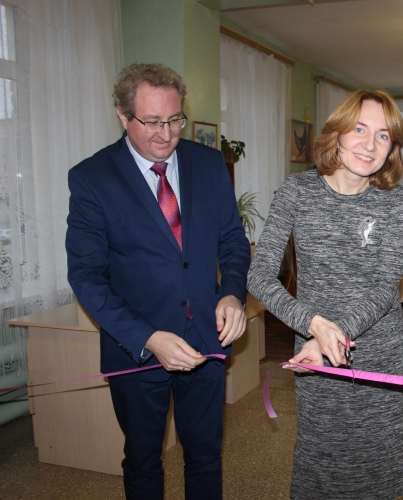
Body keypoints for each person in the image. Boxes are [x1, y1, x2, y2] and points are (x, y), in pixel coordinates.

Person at [66, 63, 250, 499]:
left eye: (174, 119)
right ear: (122, 115)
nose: (166, 134)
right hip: (136, 349)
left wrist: (232, 293)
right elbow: (87, 276)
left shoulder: (209, 164)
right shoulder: (92, 178)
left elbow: (233, 243)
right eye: (151, 122)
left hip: (205, 338)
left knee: (205, 454)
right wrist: (148, 337)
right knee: (143, 460)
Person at [246, 89, 403, 499]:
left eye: (382, 135)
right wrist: (314, 327)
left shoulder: (395, 202)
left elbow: (385, 286)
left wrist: (332, 334)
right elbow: (259, 276)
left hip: (379, 353)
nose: (369, 144)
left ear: (392, 148)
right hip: (315, 350)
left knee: (379, 464)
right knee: (323, 460)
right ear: (336, 132)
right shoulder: (297, 191)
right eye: (359, 129)